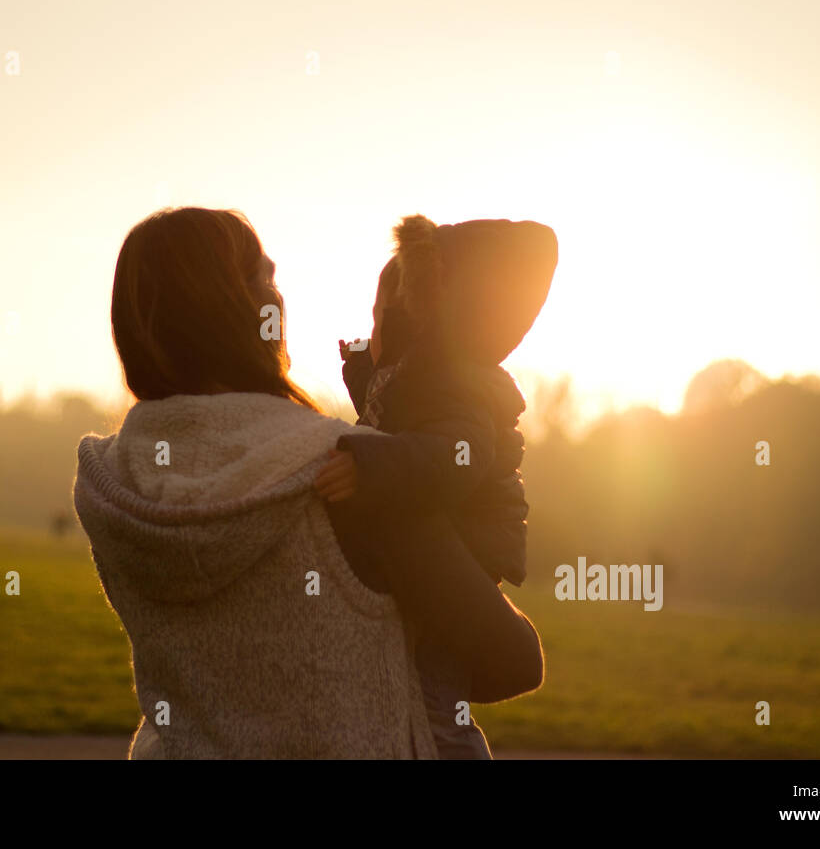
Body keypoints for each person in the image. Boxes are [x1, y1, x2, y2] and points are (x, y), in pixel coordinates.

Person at [72, 206, 544, 758]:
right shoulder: (348, 469)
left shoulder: (112, 483)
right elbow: (509, 660)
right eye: (266, 277)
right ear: (254, 311)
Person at [314, 213, 558, 758]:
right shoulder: (422, 376)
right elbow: (404, 427)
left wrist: (368, 467)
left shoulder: (454, 383)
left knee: (436, 706)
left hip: (459, 561)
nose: (372, 329)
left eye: (382, 318)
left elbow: (454, 458)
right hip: (439, 559)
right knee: (409, 696)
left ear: (413, 321)